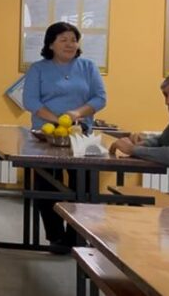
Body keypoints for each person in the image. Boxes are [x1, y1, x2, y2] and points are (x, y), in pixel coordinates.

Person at [22, 21, 106, 253]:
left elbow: (100, 98)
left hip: (81, 135)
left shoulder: (88, 67)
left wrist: (76, 114)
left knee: (84, 186)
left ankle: (76, 236)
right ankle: (56, 237)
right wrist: (57, 120)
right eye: (64, 40)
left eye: (73, 40)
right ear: (51, 44)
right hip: (46, 135)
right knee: (47, 185)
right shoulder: (38, 69)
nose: (70, 44)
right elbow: (31, 101)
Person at [110, 72, 169, 167]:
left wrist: (132, 149)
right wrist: (143, 144)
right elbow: (162, 141)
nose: (168, 101)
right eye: (166, 95)